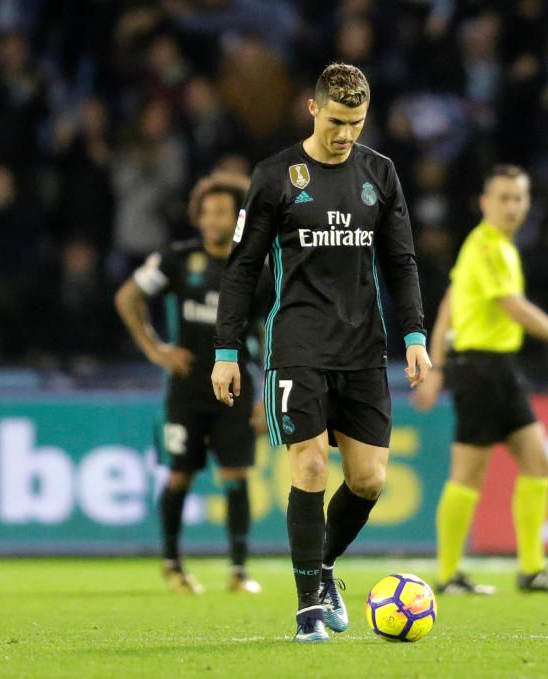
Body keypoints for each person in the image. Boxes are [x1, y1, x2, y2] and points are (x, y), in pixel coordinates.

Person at [212, 63, 431, 642]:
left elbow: (401, 261)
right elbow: (241, 270)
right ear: (313, 109)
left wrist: (414, 336)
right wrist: (226, 349)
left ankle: (324, 567)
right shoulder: (275, 176)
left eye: (356, 123)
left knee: (368, 481)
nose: (345, 134)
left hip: (363, 348)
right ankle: (309, 606)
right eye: (336, 121)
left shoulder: (379, 174)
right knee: (309, 464)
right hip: (297, 343)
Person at [412, 165, 548, 595]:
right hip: (480, 370)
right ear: (485, 202)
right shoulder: (488, 248)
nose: (511, 206)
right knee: (468, 474)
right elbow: (514, 307)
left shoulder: (488, 246)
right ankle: (447, 575)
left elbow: (448, 304)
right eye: (503, 197)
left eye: (518, 198)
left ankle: (532, 568)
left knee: (538, 461)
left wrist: (435, 363)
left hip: (497, 369)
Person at [115, 172, 265, 595]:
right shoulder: (177, 259)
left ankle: (238, 571)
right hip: (187, 389)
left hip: (237, 387)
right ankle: (172, 564)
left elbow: (273, 331)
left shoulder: (256, 266)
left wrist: (270, 391)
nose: (212, 219)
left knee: (235, 475)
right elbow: (128, 296)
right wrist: (155, 349)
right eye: (207, 211)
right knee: (179, 475)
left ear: (238, 219)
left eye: (222, 212)